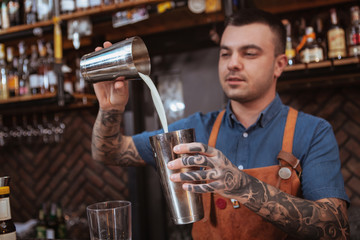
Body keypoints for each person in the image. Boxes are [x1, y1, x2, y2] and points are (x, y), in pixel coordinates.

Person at [91, 8, 350, 240]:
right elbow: (108, 151)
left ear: (279, 65)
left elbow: (337, 228)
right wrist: (109, 109)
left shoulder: (313, 131)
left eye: (249, 53)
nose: (233, 63)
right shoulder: (194, 130)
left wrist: (239, 183)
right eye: (225, 53)